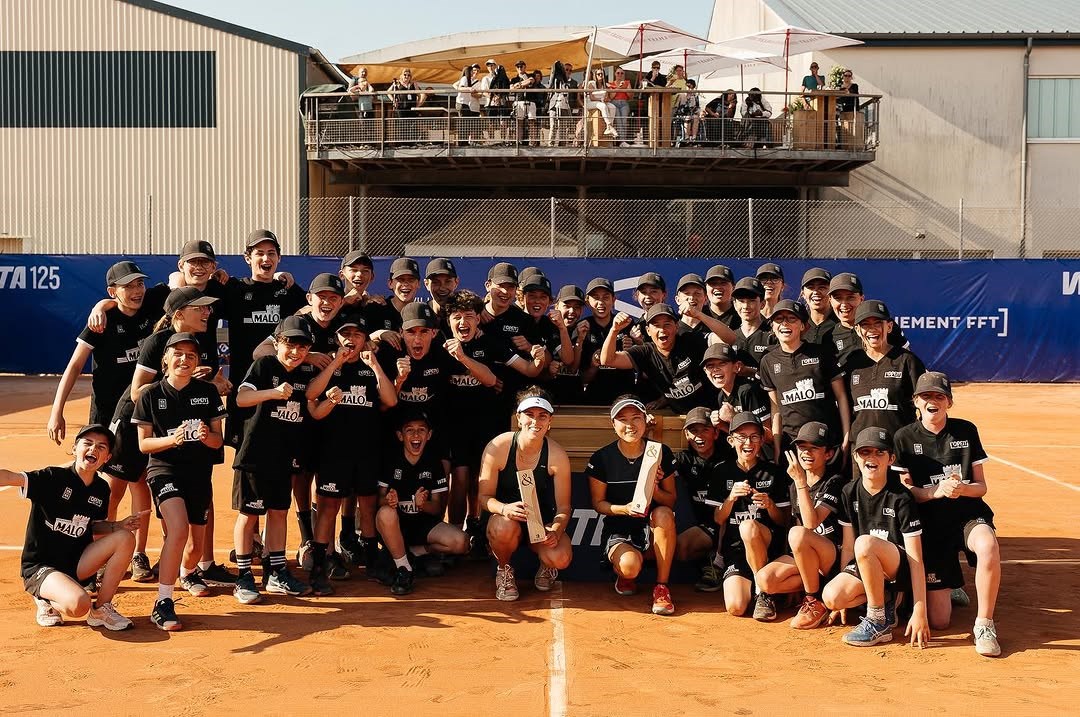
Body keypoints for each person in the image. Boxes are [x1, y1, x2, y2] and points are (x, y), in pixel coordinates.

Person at [893, 372, 1002, 657]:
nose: (933, 401)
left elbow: (981, 487)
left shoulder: (966, 430)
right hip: (931, 525)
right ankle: (952, 585)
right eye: (926, 396)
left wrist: (961, 488)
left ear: (949, 402)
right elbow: (907, 492)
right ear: (916, 401)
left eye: (939, 396)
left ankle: (984, 624)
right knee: (940, 621)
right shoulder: (904, 437)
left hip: (967, 515)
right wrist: (935, 492)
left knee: (988, 545)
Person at [3, 424, 140, 631]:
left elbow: (93, 526)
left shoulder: (101, 489)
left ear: (107, 458)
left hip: (76, 563)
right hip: (41, 566)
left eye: (101, 447)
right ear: (75, 448)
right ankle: (44, 597)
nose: (93, 449)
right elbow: (11, 477)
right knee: (79, 604)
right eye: (88, 443)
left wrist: (118, 525)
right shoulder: (52, 478)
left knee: (126, 537)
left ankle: (101, 608)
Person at [133, 333, 226, 630]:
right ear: (165, 359)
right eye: (178, 354)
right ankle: (163, 601)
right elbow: (144, 445)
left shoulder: (208, 392)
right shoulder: (150, 394)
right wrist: (172, 440)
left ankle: (187, 572)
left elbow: (218, 441)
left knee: (196, 548)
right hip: (164, 471)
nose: (184, 360)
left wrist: (206, 437)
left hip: (199, 474)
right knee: (178, 529)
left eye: (191, 356)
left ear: (197, 362)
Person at [305, 312, 397, 595]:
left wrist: (376, 365)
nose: (351, 339)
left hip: (367, 450)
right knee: (328, 507)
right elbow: (311, 394)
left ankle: (371, 561)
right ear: (337, 338)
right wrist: (336, 362)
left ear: (364, 340)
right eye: (346, 334)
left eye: (357, 335)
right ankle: (319, 566)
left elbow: (390, 400)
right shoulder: (329, 364)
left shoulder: (371, 366)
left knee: (367, 506)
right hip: (334, 452)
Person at [231, 316, 318, 604]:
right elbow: (242, 398)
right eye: (290, 345)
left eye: (302, 347)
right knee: (249, 515)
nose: (296, 352)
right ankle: (244, 576)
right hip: (255, 456)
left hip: (285, 457)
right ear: (277, 343)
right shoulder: (264, 365)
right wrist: (273, 393)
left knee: (279, 513)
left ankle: (277, 573)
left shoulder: (305, 372)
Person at [821, 427, 930, 648]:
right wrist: (844, 600)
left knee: (865, 542)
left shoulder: (901, 497)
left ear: (891, 459)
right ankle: (887, 599)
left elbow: (915, 558)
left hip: (897, 568)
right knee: (832, 597)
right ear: (855, 457)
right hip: (866, 562)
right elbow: (848, 548)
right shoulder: (849, 492)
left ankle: (878, 620)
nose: (872, 458)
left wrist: (920, 609)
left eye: (880, 452)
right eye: (865, 452)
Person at [587, 396, 678, 615]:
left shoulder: (661, 452)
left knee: (664, 513)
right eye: (623, 419)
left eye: (636, 418)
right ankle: (625, 574)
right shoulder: (601, 458)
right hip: (619, 528)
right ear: (613, 424)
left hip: (654, 527)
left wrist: (655, 488)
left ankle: (662, 587)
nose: (630, 425)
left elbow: (671, 500)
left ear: (645, 421)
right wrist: (625, 509)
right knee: (629, 567)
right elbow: (598, 504)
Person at [479, 388, 573, 600]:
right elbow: (483, 498)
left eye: (542, 416)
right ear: (518, 418)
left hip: (539, 525)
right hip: (504, 520)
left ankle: (546, 566)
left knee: (561, 557)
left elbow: (564, 507)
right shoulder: (498, 446)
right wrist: (505, 509)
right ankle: (504, 570)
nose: (535, 421)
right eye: (529, 414)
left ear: (550, 421)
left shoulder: (557, 455)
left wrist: (556, 530)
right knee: (503, 526)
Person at [756, 422, 846, 628]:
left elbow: (810, 523)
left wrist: (800, 481)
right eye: (802, 447)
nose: (806, 452)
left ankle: (813, 600)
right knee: (765, 580)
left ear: (828, 454)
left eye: (814, 448)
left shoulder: (835, 482)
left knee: (798, 533)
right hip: (807, 558)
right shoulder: (794, 485)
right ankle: (813, 589)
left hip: (829, 556)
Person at [706, 412, 791, 619]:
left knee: (749, 526)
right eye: (742, 437)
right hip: (736, 550)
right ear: (731, 440)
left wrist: (770, 505)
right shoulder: (721, 471)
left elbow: (784, 520)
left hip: (767, 545)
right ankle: (757, 585)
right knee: (736, 607)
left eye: (754, 437)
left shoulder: (774, 472)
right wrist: (731, 498)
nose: (748, 443)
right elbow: (717, 519)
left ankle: (763, 593)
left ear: (762, 440)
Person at [377, 410, 467, 595]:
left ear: (429, 435)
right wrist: (388, 501)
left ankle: (415, 552)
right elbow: (377, 501)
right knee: (385, 513)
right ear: (400, 436)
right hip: (396, 526)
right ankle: (404, 569)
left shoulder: (434, 462)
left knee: (461, 542)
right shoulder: (390, 460)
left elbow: (437, 508)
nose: (416, 435)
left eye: (421, 430)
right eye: (410, 430)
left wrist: (423, 505)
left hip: (423, 526)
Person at [758, 300, 851, 465]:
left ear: (802, 326)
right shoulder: (768, 361)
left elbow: (841, 397)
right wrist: (778, 448)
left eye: (791, 319)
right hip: (792, 446)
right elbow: (776, 409)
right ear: (772, 326)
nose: (784, 324)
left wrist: (846, 438)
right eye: (779, 319)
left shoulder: (822, 354)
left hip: (827, 443)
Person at [602, 302, 737, 414]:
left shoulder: (689, 340)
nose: (662, 330)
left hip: (710, 413)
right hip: (680, 417)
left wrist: (699, 315)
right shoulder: (645, 352)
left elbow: (730, 339)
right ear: (648, 330)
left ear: (676, 327)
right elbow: (608, 360)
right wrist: (614, 330)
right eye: (656, 325)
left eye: (667, 324)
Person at [844, 300, 925, 440]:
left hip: (898, 446)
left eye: (877, 323)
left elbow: (925, 404)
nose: (872, 329)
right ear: (857, 330)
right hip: (861, 447)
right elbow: (844, 405)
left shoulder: (907, 360)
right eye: (865, 324)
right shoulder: (851, 363)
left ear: (889, 326)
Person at [674, 407, 728, 592]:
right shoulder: (684, 459)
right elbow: (654, 459)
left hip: (731, 524)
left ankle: (720, 563)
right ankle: (710, 559)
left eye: (705, 429)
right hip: (705, 525)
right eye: (693, 430)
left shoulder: (729, 457)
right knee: (681, 548)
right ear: (686, 435)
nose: (699, 436)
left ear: (716, 433)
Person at [824, 272, 909, 367]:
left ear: (861, 298)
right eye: (838, 298)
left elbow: (907, 361)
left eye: (850, 297)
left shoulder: (884, 325)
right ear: (830, 301)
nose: (844, 304)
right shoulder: (829, 336)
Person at [700, 342, 772, 448]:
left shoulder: (748, 391)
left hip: (768, 454)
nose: (715, 369)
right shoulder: (721, 396)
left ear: (737, 366)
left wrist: (735, 418)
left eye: (722, 363)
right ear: (705, 371)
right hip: (747, 453)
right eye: (710, 366)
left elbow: (770, 436)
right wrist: (722, 425)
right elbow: (738, 436)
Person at [578, 277, 636, 406]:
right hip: (595, 398)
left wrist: (631, 353)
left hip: (625, 395)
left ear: (613, 300)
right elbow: (582, 378)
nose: (601, 302)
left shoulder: (626, 323)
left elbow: (642, 367)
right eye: (596, 298)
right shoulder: (583, 327)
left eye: (606, 297)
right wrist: (593, 365)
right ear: (587, 301)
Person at [730, 277, 776, 374]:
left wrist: (751, 372)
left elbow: (779, 372)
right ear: (734, 304)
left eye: (751, 300)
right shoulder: (730, 336)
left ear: (762, 304)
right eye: (741, 301)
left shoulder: (772, 335)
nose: (746, 306)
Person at [799, 267, 837, 345]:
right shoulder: (797, 322)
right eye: (811, 287)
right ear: (803, 294)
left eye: (822, 287)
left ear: (831, 293)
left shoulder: (841, 322)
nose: (816, 292)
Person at [584, 68, 618, 140]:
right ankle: (609, 125)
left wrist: (606, 99)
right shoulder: (591, 83)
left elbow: (607, 97)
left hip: (600, 101)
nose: (600, 75)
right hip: (590, 103)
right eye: (598, 74)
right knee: (603, 106)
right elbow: (592, 98)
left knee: (612, 107)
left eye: (602, 74)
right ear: (595, 75)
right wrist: (601, 100)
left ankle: (608, 128)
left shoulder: (605, 85)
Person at [704, 264, 740, 329]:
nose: (718, 287)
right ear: (706, 288)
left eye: (723, 283)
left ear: (733, 287)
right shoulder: (699, 315)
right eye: (713, 283)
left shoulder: (742, 315)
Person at [510, 60, 537, 145]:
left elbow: (531, 81)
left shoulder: (531, 75)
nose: (519, 68)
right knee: (519, 123)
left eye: (521, 66)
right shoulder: (513, 79)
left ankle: (533, 142)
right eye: (518, 67)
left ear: (525, 67)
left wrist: (518, 85)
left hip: (530, 101)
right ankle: (519, 142)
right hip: (519, 102)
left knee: (532, 122)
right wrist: (523, 84)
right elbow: (511, 88)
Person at [454, 64, 481, 144]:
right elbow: (461, 88)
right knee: (463, 124)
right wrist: (469, 88)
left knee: (466, 124)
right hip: (462, 103)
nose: (473, 72)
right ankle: (462, 142)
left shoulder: (469, 79)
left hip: (466, 103)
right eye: (472, 71)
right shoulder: (465, 78)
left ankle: (465, 142)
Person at [546, 61, 573, 146]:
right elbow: (550, 86)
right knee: (553, 126)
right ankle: (551, 144)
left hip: (565, 106)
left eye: (570, 70)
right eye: (566, 70)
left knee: (563, 128)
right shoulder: (555, 80)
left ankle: (563, 145)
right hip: (555, 105)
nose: (568, 72)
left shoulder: (573, 82)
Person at [673, 78, 701, 146]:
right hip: (682, 114)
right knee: (688, 118)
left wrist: (696, 110)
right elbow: (676, 107)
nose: (689, 89)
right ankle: (686, 137)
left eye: (691, 87)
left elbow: (698, 107)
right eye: (688, 87)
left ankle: (694, 138)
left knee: (696, 117)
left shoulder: (695, 96)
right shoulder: (681, 95)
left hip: (692, 113)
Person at [608, 68, 632, 144]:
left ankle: (622, 141)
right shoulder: (611, 83)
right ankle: (623, 141)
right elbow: (611, 96)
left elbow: (630, 95)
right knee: (618, 122)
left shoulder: (627, 82)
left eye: (622, 73)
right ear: (615, 74)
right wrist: (619, 87)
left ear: (624, 75)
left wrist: (623, 88)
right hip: (614, 103)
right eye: (618, 73)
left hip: (624, 103)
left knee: (624, 122)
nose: (620, 75)